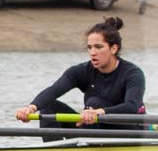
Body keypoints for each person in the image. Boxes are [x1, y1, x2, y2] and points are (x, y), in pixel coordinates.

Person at [15, 17, 146, 125]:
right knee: (48, 106)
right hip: (92, 124)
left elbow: (132, 106)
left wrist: (98, 112)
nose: (93, 52)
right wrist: (30, 108)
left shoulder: (133, 74)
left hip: (128, 129)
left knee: (94, 103)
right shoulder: (81, 71)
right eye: (89, 47)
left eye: (98, 47)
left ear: (114, 48)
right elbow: (53, 90)